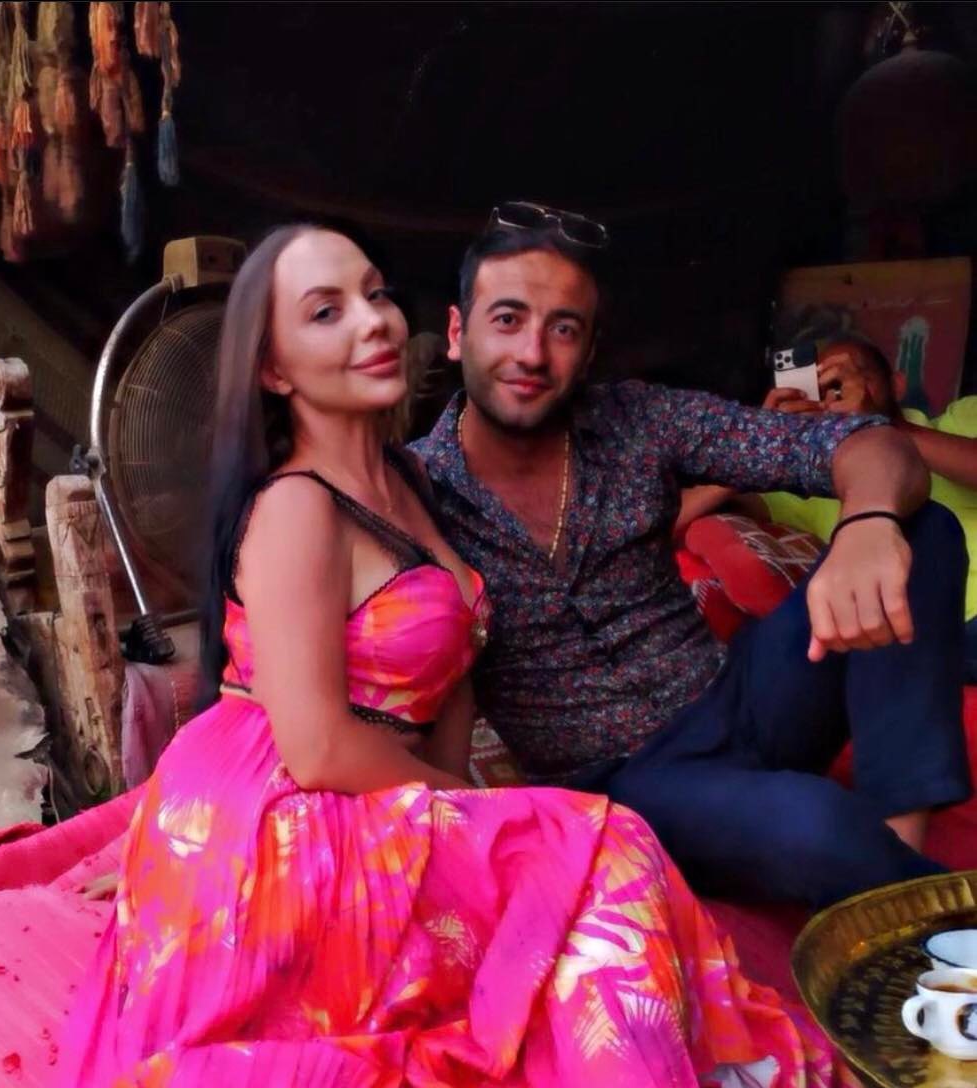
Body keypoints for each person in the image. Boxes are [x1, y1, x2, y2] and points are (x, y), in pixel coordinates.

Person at [0, 221, 875, 1088]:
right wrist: (494, 816)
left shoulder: (415, 483)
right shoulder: (296, 507)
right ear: (273, 369)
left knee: (549, 910)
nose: (372, 323)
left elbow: (445, 698)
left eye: (375, 294)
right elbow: (315, 742)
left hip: (367, 792)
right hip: (288, 810)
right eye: (327, 311)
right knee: (600, 838)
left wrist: (488, 837)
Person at [413, 202, 969, 905]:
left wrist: (867, 522)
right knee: (817, 826)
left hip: (738, 697)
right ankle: (929, 908)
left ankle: (899, 837)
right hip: (623, 782)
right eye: (507, 319)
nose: (532, 353)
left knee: (921, 527)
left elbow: (870, 445)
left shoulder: (640, 420)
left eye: (563, 328)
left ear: (589, 350)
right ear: (457, 332)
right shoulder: (414, 489)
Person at [679, 335, 977, 682]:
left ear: (896, 385)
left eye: (848, 379)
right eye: (818, 387)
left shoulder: (960, 419)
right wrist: (759, 445)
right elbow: (662, 522)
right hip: (904, 645)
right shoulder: (809, 483)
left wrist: (883, 426)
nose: (834, 395)